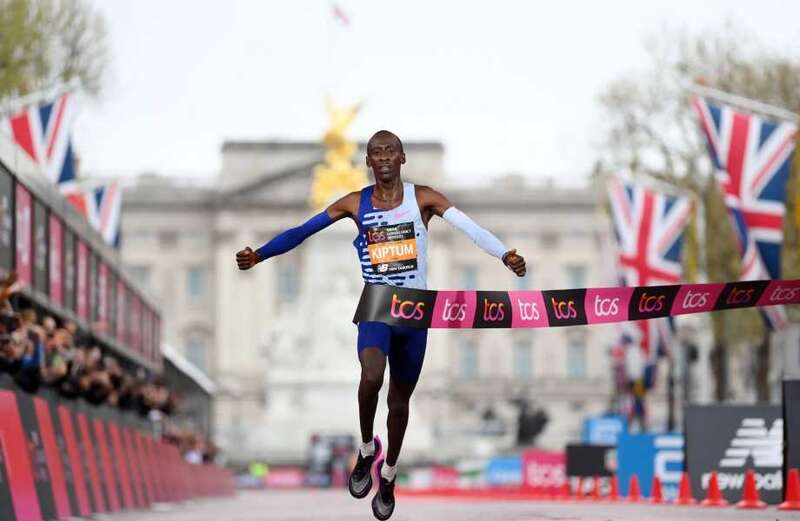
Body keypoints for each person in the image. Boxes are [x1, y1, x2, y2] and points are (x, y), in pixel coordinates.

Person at [236, 130, 526, 520]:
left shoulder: (423, 197)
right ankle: (366, 448)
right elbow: (301, 232)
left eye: (391, 151)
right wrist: (260, 255)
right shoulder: (355, 203)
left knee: (399, 403)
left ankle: (388, 473)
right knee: (371, 377)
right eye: (376, 152)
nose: (385, 156)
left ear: (402, 158)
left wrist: (503, 253)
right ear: (369, 162)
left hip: (415, 312)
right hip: (377, 304)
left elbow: (469, 227)